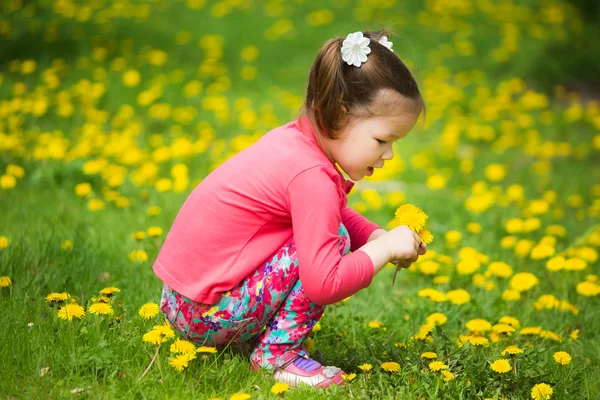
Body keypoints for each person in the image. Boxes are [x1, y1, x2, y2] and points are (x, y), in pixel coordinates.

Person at [153, 28, 427, 388]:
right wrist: (385, 248)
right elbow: (323, 283)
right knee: (333, 244)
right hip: (204, 316)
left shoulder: (293, 143)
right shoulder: (311, 175)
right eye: (382, 140)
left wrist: (376, 236)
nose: (389, 154)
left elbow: (328, 215)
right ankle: (276, 356)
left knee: (329, 233)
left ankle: (256, 338)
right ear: (339, 115)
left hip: (180, 303)